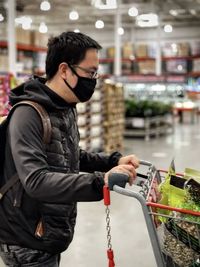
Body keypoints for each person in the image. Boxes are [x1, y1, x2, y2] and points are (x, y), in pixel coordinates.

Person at [0, 31, 139, 267]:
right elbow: (36, 180)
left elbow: (72, 155)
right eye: (89, 72)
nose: (93, 80)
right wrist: (99, 183)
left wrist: (113, 161)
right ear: (64, 70)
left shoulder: (65, 107)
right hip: (26, 239)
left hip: (47, 230)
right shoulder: (28, 114)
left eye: (96, 73)